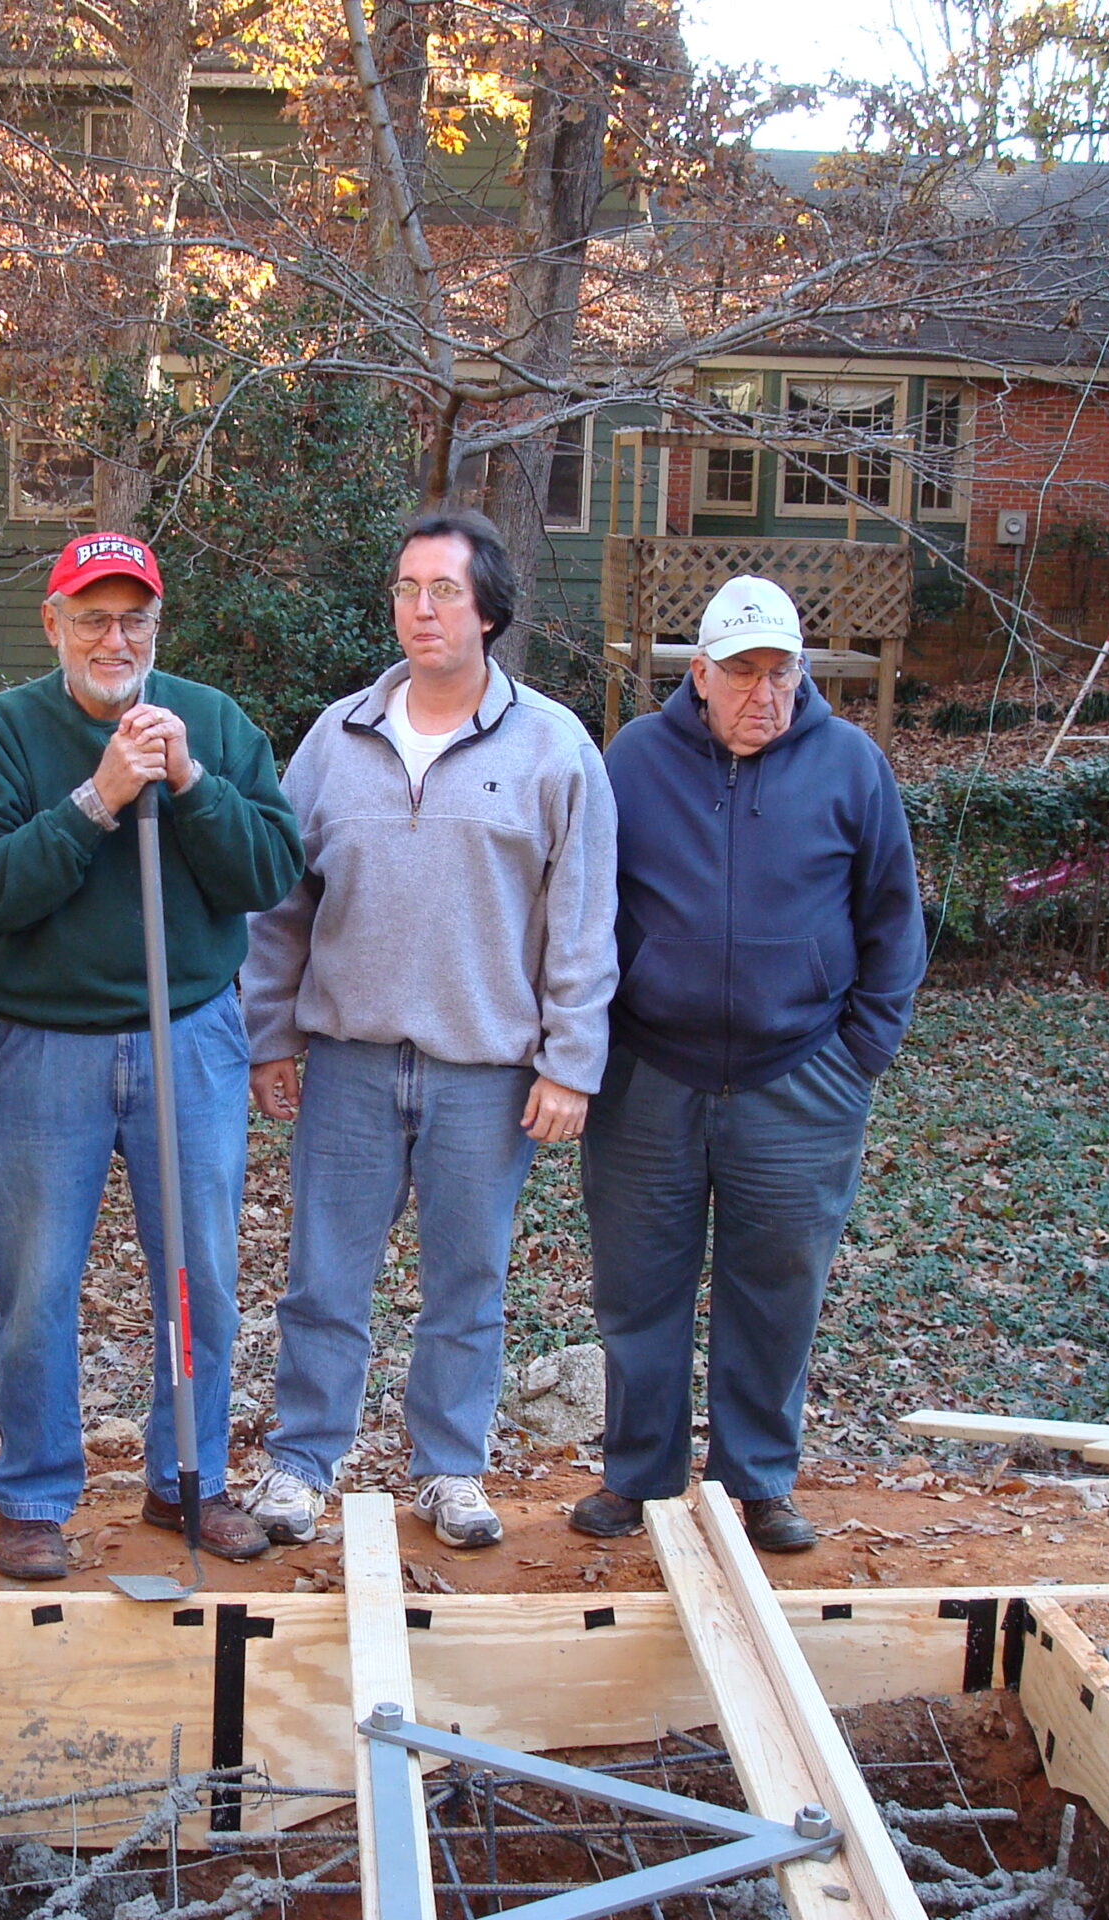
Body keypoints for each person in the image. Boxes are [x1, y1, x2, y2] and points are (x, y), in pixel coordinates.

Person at [235, 510, 616, 1550]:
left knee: (467, 1285)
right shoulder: (336, 738)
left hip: (485, 1075)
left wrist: (571, 1063)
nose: (422, 609)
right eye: (407, 588)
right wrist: (270, 1034)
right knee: (323, 1279)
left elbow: (583, 918)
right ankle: (301, 1463)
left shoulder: (552, 746)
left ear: (489, 611)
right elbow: (280, 902)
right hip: (348, 1064)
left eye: (444, 590)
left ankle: (449, 1468)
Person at [0, 532, 305, 1581]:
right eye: (92, 618)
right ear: (52, 624)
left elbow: (268, 872)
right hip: (44, 1048)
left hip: (190, 1037)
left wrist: (188, 782)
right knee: (37, 1284)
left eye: (134, 619)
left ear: (156, 626)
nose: (115, 639)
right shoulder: (4, 732)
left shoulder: (211, 722)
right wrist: (96, 800)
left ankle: (188, 1476)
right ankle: (34, 1494)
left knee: (199, 1276)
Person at [570, 574, 925, 1552]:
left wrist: (861, 1052)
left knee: (777, 1286)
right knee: (638, 1286)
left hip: (799, 1076)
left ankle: (758, 1480)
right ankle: (638, 1477)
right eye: (741, 673)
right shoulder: (634, 762)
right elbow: (584, 907)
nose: (763, 695)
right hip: (649, 1073)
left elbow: (893, 917)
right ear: (699, 673)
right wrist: (591, 1040)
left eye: (781, 673)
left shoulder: (851, 766)